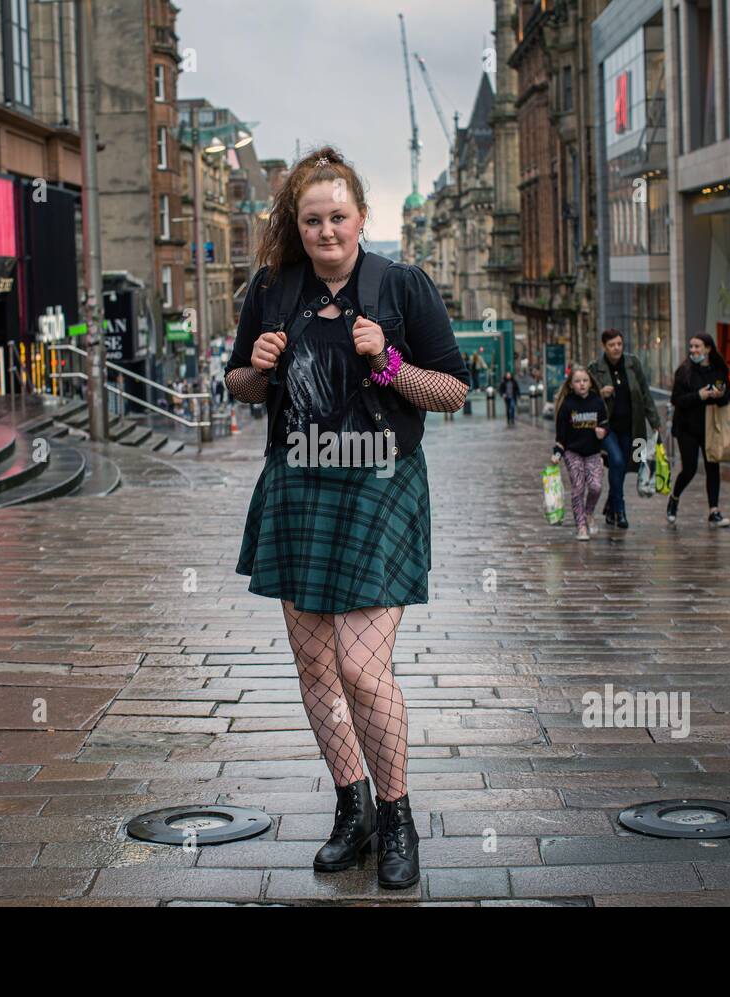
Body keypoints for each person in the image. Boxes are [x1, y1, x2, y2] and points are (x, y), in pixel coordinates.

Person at [223, 146, 469, 891]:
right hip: (298, 485)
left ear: (362, 217)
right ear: (296, 226)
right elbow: (238, 384)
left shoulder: (400, 287)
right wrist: (258, 369)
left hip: (379, 486)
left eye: (338, 217)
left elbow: (455, 389)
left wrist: (390, 362)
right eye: (312, 219)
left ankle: (396, 815)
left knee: (363, 668)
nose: (326, 230)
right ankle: (350, 805)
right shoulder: (272, 289)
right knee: (316, 669)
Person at [587, 328, 662, 530]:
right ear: (604, 346)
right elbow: (585, 399)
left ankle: (611, 507)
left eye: (619, 344)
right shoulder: (595, 369)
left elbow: (644, 393)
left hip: (631, 426)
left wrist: (654, 421)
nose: (617, 348)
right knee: (617, 461)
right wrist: (600, 393)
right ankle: (620, 511)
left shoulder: (633, 364)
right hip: (606, 428)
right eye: (612, 345)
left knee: (625, 466)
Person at [667, 332, 730, 528]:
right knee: (689, 469)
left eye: (697, 346)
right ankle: (674, 498)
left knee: (713, 467)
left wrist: (720, 395)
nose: (693, 350)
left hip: (711, 427)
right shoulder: (684, 371)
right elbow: (676, 400)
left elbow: (727, 398)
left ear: (708, 348)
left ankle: (714, 511)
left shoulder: (719, 370)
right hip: (687, 427)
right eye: (692, 347)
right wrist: (699, 396)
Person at [552, 364, 609, 541]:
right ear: (571, 385)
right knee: (578, 487)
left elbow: (605, 423)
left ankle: (589, 513)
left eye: (585, 380)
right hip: (572, 452)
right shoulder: (567, 405)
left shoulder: (598, 402)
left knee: (595, 487)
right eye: (577, 381)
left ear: (591, 383)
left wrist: (603, 431)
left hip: (593, 452)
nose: (582, 384)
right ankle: (581, 526)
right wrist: (557, 453)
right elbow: (560, 435)